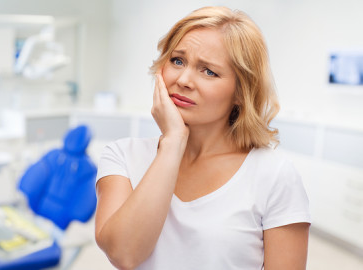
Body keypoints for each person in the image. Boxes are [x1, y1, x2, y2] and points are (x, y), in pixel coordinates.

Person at [94, 6, 311, 270]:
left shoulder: (274, 175)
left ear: (241, 92)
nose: (184, 80)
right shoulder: (122, 156)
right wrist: (173, 142)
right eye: (177, 61)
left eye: (208, 71)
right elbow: (124, 255)